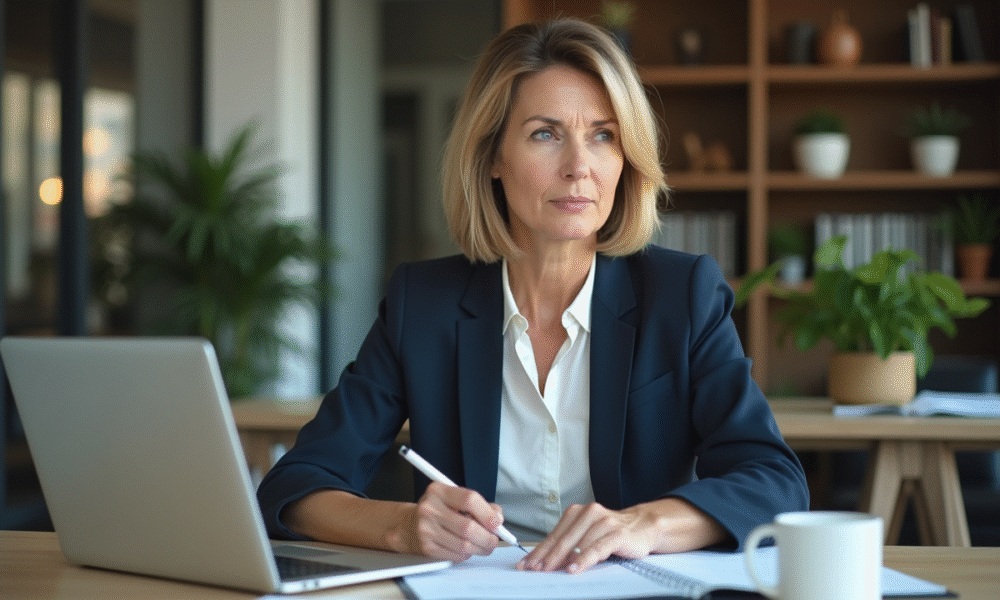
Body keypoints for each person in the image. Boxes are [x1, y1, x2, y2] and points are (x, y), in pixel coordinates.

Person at [257, 17, 808, 575]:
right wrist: (400, 526)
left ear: (626, 157)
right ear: (493, 156)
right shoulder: (422, 305)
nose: (579, 168)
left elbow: (774, 482)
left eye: (604, 135)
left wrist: (643, 523)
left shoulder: (681, 295)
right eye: (545, 133)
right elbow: (296, 486)